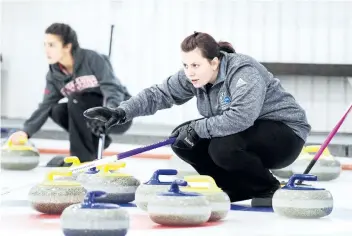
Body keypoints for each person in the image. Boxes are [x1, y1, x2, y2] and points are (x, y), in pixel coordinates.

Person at [83, 31, 311, 207]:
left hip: (285, 135)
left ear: (214, 62)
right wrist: (120, 112)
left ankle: (267, 188)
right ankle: (234, 188)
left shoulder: (243, 71)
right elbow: (158, 94)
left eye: (195, 65)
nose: (189, 72)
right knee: (181, 140)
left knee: (222, 146)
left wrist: (197, 127)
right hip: (248, 133)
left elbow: (241, 118)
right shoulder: (195, 77)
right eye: (185, 65)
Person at [9, 23, 132, 165]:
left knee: (76, 99)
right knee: (56, 110)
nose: (46, 50)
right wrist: (26, 131)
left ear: (67, 46)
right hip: (88, 118)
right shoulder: (53, 76)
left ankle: (83, 160)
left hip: (117, 115)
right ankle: (91, 144)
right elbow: (45, 106)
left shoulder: (93, 59)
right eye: (45, 45)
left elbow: (112, 89)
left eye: (51, 45)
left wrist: (110, 113)